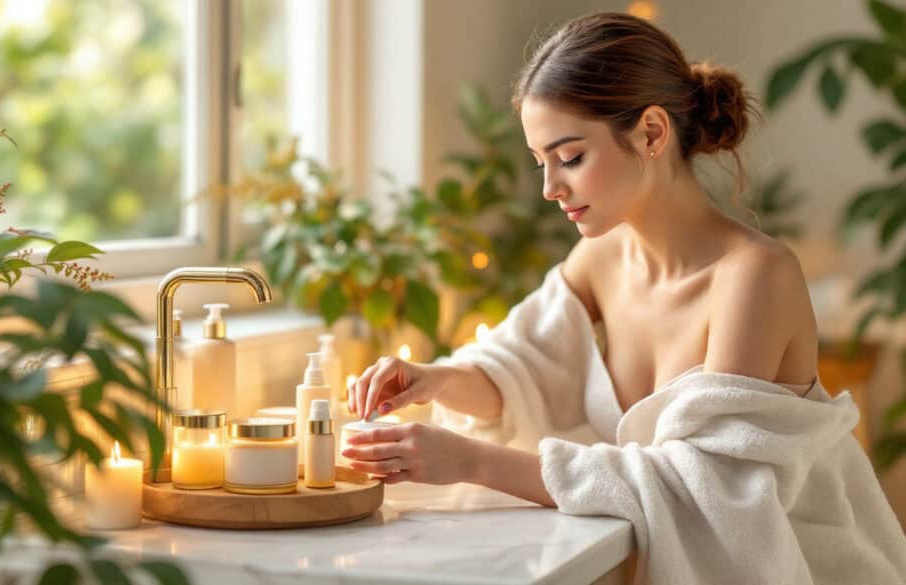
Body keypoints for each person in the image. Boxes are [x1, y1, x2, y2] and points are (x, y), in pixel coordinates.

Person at [342, 11, 906, 585]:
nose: (549, 188)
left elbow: (706, 490)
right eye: (542, 163)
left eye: (570, 157)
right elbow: (519, 369)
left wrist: (472, 461)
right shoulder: (600, 258)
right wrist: (433, 379)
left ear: (652, 133)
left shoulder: (755, 276)